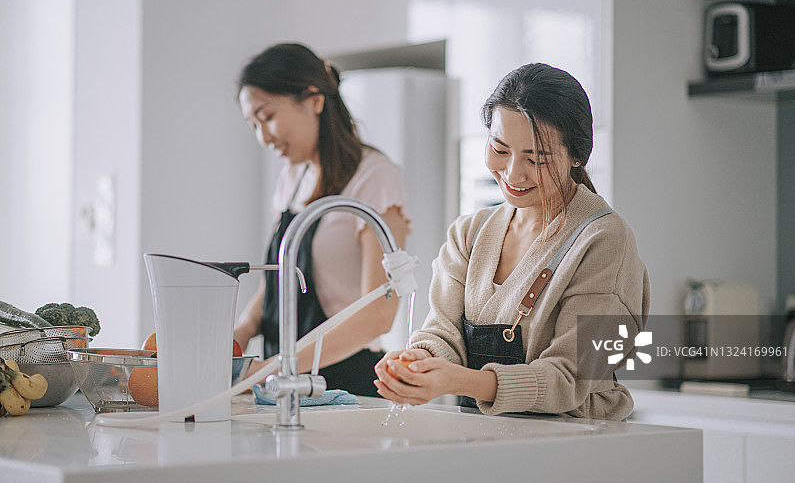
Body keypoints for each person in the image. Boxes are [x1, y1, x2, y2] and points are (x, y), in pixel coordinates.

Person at [374, 63, 649, 420]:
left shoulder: (605, 240)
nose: (513, 173)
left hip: (575, 446)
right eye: (500, 150)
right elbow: (443, 332)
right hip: (484, 441)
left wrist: (462, 381)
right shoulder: (469, 234)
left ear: (577, 157)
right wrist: (419, 361)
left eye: (537, 159)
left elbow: (570, 378)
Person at [234, 43, 411, 396]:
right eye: (254, 124)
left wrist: (270, 369)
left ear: (314, 100)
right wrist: (239, 335)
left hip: (342, 382)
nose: (263, 137)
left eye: (267, 117)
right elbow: (278, 281)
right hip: (283, 381)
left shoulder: (374, 178)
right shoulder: (292, 177)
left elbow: (378, 314)